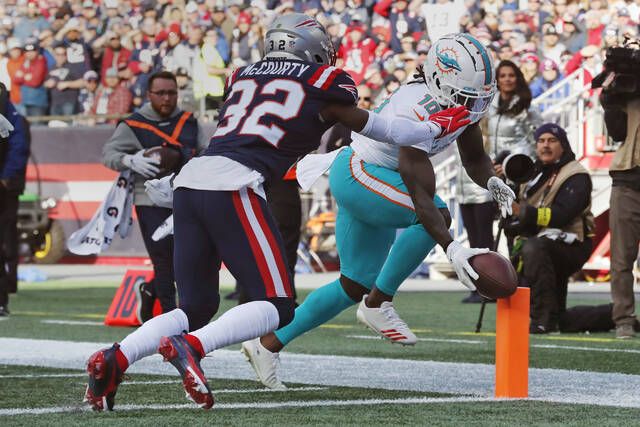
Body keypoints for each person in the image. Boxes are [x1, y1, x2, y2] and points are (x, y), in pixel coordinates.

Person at [83, 15, 477, 411]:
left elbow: (235, 132)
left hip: (190, 182)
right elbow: (381, 129)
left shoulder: (240, 75)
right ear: (308, 47)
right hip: (235, 184)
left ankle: (115, 358)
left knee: (196, 306)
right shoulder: (326, 82)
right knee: (277, 304)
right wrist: (431, 130)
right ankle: (193, 347)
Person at [241, 33, 515, 389]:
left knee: (352, 284)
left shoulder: (454, 101)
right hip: (360, 174)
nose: (471, 105)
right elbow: (420, 195)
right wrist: (452, 248)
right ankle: (378, 303)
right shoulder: (416, 108)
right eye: (465, 96)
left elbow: (475, 158)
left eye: (475, 96)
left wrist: (490, 182)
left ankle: (267, 345)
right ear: (438, 80)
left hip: (372, 177)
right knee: (436, 214)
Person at [102, 70, 210, 324]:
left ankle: (150, 292)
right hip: (147, 198)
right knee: (162, 258)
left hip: (184, 197)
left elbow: (206, 151)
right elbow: (108, 154)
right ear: (149, 94)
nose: (166, 98)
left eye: (172, 93)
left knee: (186, 257)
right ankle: (172, 319)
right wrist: (128, 159)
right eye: (160, 93)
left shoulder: (189, 121)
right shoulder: (133, 124)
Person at [459, 59, 540, 303]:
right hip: (483, 176)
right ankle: (479, 286)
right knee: (476, 236)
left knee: (491, 235)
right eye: (502, 75)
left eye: (511, 75)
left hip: (509, 178)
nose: (507, 79)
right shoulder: (488, 106)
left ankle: (495, 285)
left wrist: (510, 164)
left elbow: (533, 143)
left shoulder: (527, 107)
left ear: (518, 78)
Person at [505, 123, 593, 334]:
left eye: (552, 140)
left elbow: (562, 215)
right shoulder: (531, 172)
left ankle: (541, 321)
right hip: (541, 243)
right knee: (563, 321)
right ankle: (609, 316)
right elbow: (511, 208)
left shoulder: (576, 174)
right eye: (541, 141)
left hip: (573, 243)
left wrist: (524, 214)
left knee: (533, 249)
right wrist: (504, 183)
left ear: (563, 145)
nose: (545, 146)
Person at [600, 84, 640, 339]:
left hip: (627, 178)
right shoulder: (631, 89)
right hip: (628, 179)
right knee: (622, 258)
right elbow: (616, 132)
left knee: (622, 259)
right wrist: (609, 97)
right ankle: (624, 319)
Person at [0, 83, 28, 317]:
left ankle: (9, 283)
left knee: (7, 234)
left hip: (7, 187)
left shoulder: (13, 116)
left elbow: (18, 148)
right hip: (7, 182)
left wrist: (6, 176)